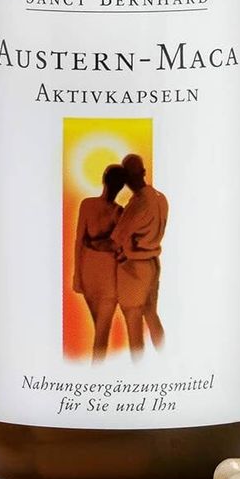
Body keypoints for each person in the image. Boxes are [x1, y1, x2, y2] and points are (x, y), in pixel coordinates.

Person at [111, 154, 168, 357]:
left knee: (133, 321)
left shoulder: (139, 202)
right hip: (152, 263)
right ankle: (165, 357)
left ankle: (139, 368)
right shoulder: (160, 198)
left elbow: (117, 237)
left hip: (134, 268)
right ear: (143, 172)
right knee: (151, 315)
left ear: (127, 178)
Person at [73, 164, 125, 362]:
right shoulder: (88, 205)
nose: (115, 187)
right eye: (114, 182)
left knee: (101, 333)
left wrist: (96, 243)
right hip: (90, 276)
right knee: (99, 330)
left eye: (119, 183)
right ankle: (99, 372)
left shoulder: (119, 212)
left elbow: (117, 245)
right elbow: (79, 241)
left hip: (109, 279)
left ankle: (97, 373)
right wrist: (77, 276)